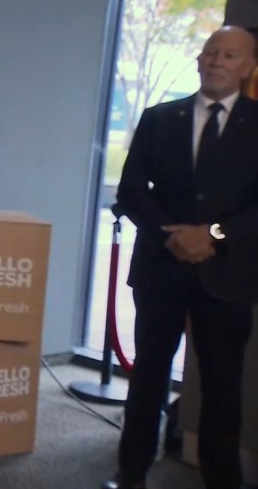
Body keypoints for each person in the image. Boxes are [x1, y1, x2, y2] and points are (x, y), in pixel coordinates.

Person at [105, 25, 258, 489]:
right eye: (210, 52)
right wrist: (171, 236)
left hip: (227, 275)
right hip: (161, 267)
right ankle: (131, 474)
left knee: (222, 386)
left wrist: (211, 234)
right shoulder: (159, 118)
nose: (216, 61)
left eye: (229, 55)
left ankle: (222, 480)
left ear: (248, 67)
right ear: (198, 60)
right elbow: (132, 191)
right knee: (147, 378)